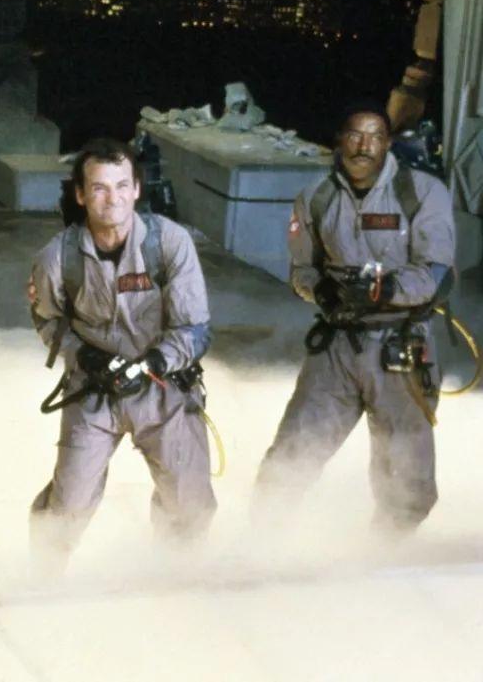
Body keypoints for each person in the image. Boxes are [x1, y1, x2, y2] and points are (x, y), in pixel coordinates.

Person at [254, 101, 455, 533]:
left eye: (375, 137)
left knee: (406, 478)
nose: (364, 146)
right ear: (339, 141)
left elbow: (436, 274)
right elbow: (301, 270)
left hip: (400, 348)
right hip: (337, 346)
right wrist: (320, 290)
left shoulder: (422, 193)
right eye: (355, 135)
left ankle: (384, 551)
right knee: (290, 456)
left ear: (388, 144)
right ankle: (259, 545)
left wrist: (385, 291)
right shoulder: (316, 198)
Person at [28, 138, 216, 575]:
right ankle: (41, 577)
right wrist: (85, 357)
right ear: (80, 195)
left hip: (164, 386)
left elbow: (194, 328)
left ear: (136, 189)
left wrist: (155, 363)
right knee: (68, 504)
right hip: (94, 391)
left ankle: (174, 576)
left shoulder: (169, 243)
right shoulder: (57, 257)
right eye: (98, 188)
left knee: (189, 502)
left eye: (121, 186)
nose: (111, 198)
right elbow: (47, 320)